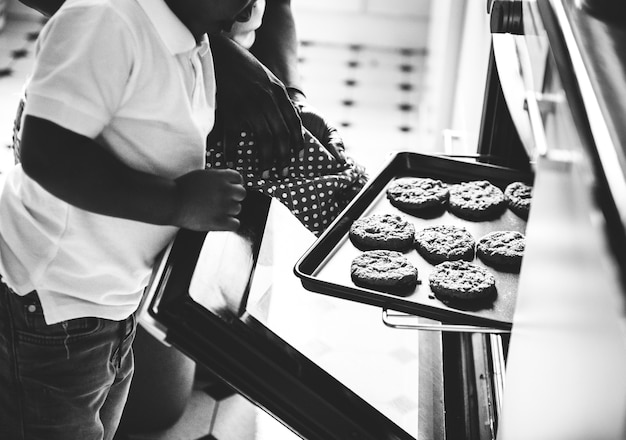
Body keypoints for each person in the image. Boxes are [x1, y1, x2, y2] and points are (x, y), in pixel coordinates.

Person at [0, 0, 256, 439]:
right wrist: (178, 201)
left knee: (98, 419)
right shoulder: (106, 20)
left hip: (111, 296)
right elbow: (48, 154)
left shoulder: (191, 35)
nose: (250, 8)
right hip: (56, 299)